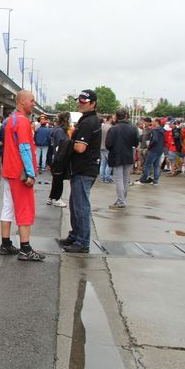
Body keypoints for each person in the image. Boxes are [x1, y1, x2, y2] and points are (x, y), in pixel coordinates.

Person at [0, 90, 45, 261]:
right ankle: (25, 248)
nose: (34, 103)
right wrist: (31, 174)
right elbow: (25, 148)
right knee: (25, 208)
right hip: (20, 173)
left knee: (8, 207)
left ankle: (5, 243)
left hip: (9, 170)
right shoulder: (24, 122)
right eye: (32, 101)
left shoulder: (10, 120)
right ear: (23, 101)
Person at [60, 89, 102, 254]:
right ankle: (76, 235)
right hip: (84, 169)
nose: (80, 103)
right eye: (80, 100)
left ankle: (82, 241)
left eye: (84, 101)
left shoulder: (87, 122)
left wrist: (67, 144)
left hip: (84, 169)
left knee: (81, 206)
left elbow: (80, 147)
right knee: (75, 204)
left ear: (92, 104)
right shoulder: (89, 120)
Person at [106, 107, 138, 209]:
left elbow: (108, 144)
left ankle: (121, 201)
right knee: (125, 179)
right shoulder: (133, 128)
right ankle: (122, 199)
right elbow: (136, 142)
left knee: (119, 179)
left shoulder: (113, 129)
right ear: (126, 116)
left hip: (116, 155)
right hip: (128, 154)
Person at [47, 112, 71, 208]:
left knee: (56, 179)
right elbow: (62, 145)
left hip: (56, 157)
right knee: (59, 179)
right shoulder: (61, 131)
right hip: (60, 157)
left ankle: (51, 197)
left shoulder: (57, 129)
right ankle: (57, 198)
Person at [137, 118, 164, 185]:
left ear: (157, 122)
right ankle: (155, 181)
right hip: (160, 149)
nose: (152, 122)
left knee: (147, 165)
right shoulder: (162, 130)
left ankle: (143, 180)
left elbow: (154, 140)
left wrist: (149, 146)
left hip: (153, 150)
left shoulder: (154, 130)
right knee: (156, 165)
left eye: (154, 121)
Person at [99, 115, 113, 183]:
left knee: (103, 163)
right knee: (109, 163)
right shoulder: (111, 127)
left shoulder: (102, 126)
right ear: (110, 119)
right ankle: (107, 177)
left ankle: (102, 177)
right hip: (108, 147)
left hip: (101, 146)